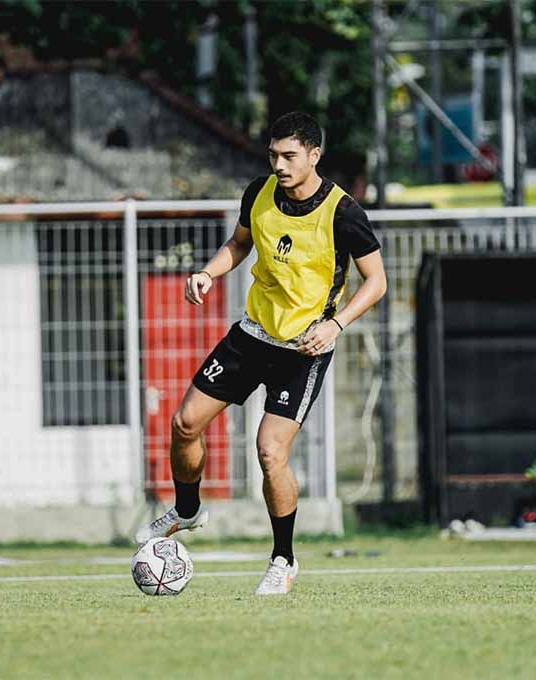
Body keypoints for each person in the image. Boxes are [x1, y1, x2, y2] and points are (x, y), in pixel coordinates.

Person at [134, 111, 387, 595]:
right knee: (185, 423)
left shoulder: (343, 211)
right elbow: (239, 243)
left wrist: (336, 325)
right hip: (252, 334)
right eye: (273, 154)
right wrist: (209, 273)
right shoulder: (259, 192)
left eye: (290, 155)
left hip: (303, 347)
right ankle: (187, 511)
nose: (280, 164)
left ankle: (283, 559)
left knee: (270, 452)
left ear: (314, 155)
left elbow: (376, 281)